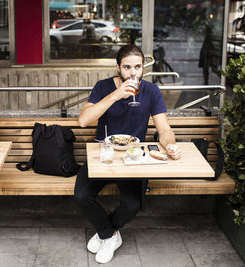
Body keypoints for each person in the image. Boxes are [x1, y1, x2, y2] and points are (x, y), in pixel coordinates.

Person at [74, 44, 181, 264]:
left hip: (133, 157)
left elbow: (164, 129)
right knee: (81, 196)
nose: (133, 73)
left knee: (132, 204)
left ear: (143, 68)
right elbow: (84, 120)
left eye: (137, 67)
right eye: (127, 67)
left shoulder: (151, 91)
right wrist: (116, 95)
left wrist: (170, 144)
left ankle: (107, 232)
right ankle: (110, 235)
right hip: (103, 154)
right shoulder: (103, 87)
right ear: (118, 68)